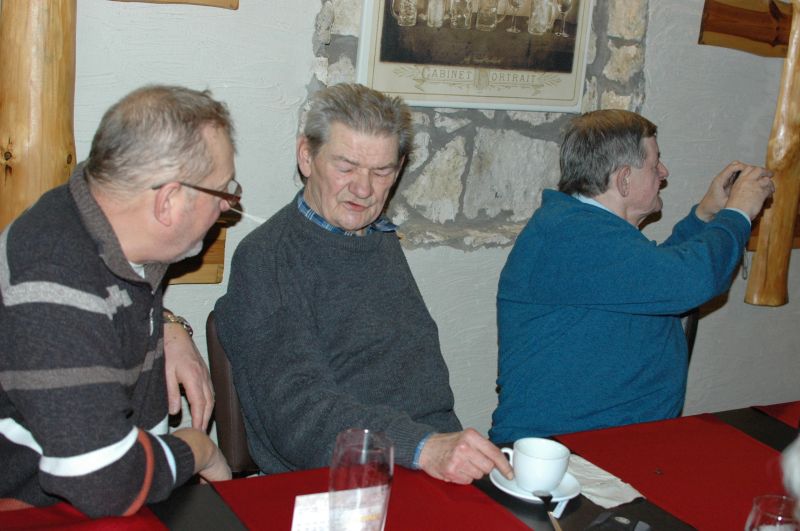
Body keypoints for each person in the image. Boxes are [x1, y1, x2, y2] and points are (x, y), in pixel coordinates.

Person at [214, 83, 512, 485]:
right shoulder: (268, 258)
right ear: (307, 156)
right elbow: (298, 417)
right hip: (334, 478)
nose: (364, 189)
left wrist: (437, 447)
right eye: (346, 167)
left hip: (416, 461)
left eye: (381, 171)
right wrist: (423, 447)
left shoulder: (377, 236)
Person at [0, 85, 237, 516]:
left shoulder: (107, 229)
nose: (226, 207)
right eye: (222, 192)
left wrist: (168, 325)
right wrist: (198, 449)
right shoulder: (53, 278)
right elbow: (104, 482)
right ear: (168, 202)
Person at [490, 109, 775, 442]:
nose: (664, 173)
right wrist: (738, 213)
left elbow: (649, 282)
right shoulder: (574, 235)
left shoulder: (582, 228)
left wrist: (705, 215)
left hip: (604, 442)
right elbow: (689, 282)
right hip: (563, 450)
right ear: (624, 178)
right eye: (655, 164)